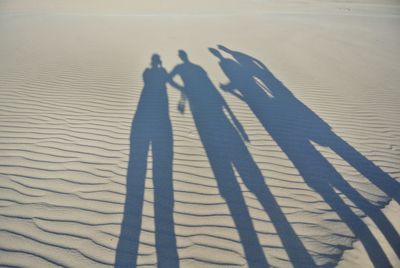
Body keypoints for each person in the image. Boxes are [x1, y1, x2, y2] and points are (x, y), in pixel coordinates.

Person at [116, 54, 178, 268]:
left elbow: (149, 81)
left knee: (138, 162)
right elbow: (169, 82)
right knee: (160, 164)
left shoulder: (148, 73)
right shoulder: (161, 73)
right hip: (159, 115)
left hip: (144, 113)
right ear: (160, 61)